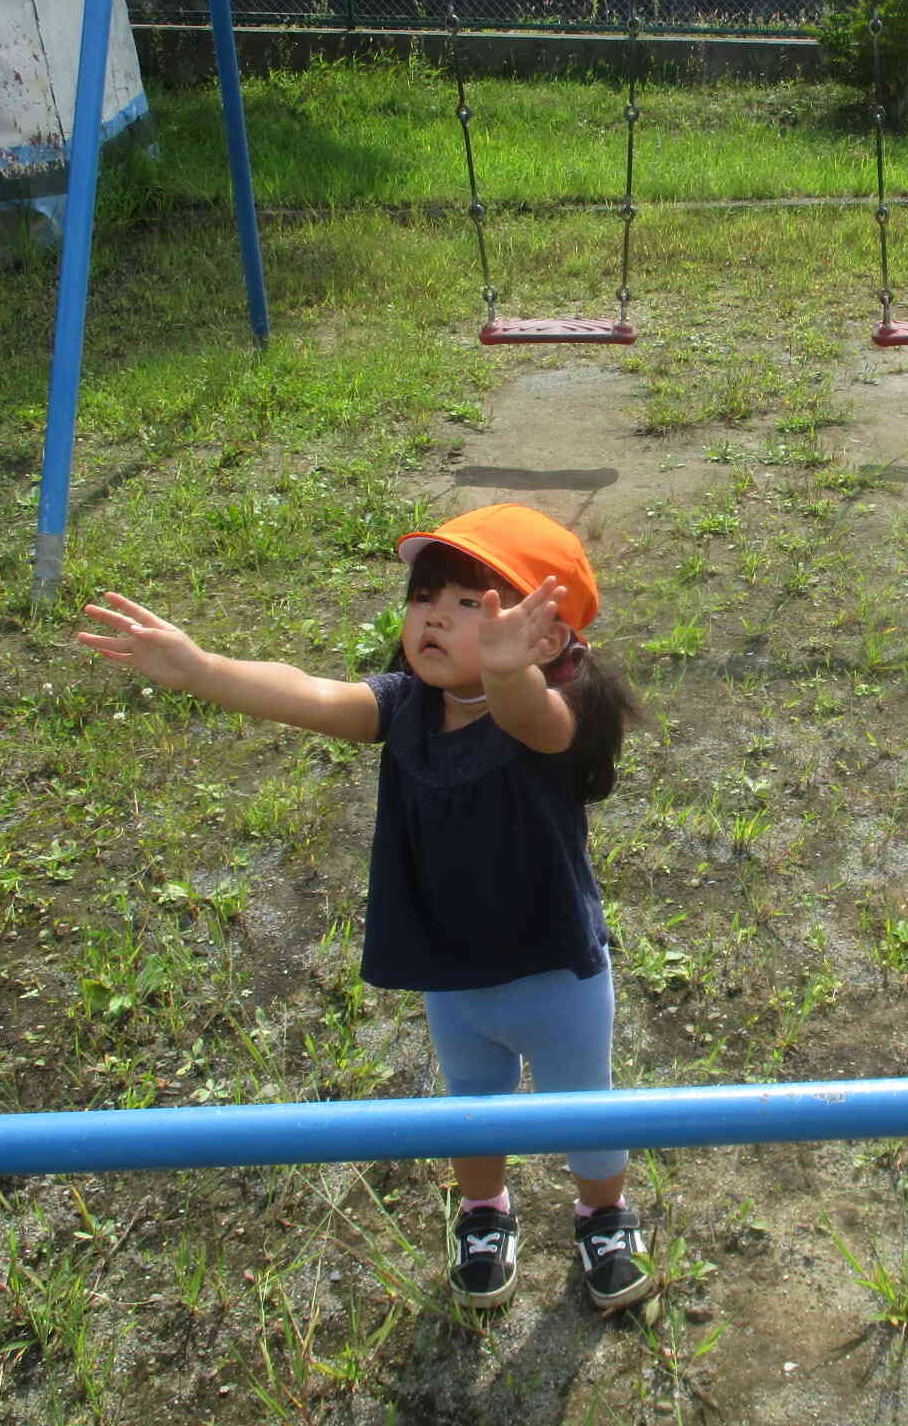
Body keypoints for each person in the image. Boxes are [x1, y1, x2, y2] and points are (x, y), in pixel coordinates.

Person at [75, 503, 655, 1314]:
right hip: (450, 971)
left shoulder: (550, 721)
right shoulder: (404, 709)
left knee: (584, 1110)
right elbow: (312, 694)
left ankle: (602, 1213)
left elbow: (526, 712)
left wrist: (506, 670)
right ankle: (484, 1212)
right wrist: (200, 667)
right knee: (473, 1108)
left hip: (556, 968)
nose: (437, 618)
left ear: (547, 639)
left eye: (473, 606)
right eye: (427, 597)